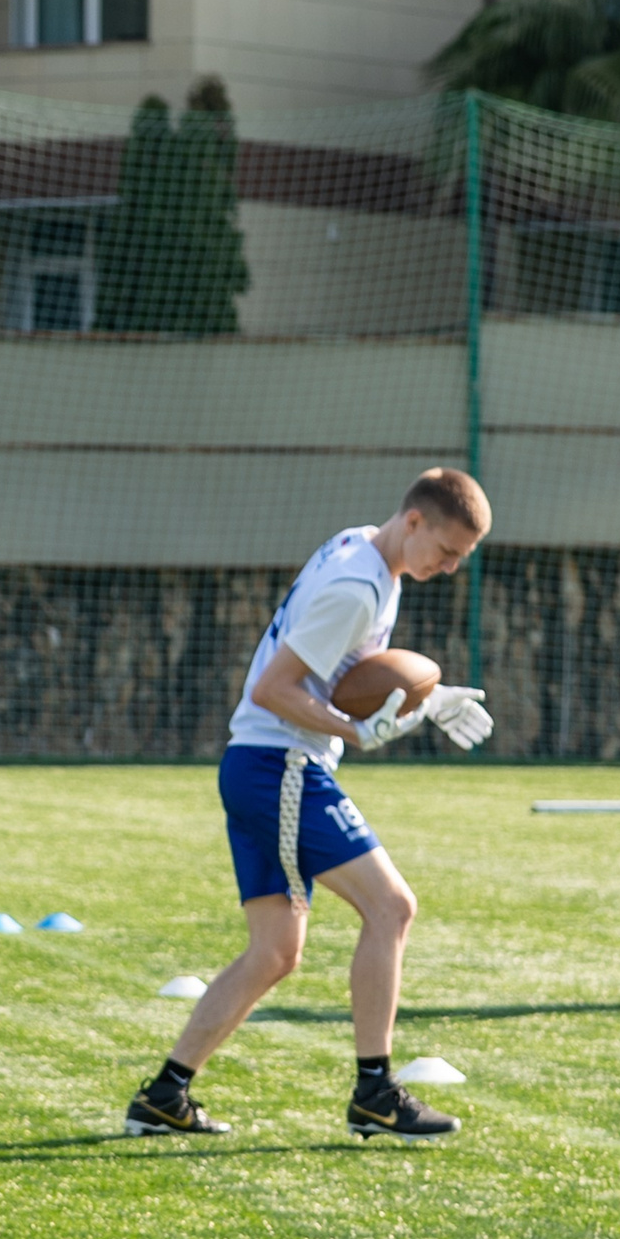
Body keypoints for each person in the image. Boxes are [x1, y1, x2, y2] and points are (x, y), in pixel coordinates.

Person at [124, 468, 496, 1142]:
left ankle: (164, 1094)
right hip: (280, 765)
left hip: (255, 765)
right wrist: (357, 731)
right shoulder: (359, 585)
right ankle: (375, 1092)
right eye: (445, 553)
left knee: (274, 951)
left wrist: (425, 697)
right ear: (414, 522)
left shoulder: (360, 547)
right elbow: (274, 688)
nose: (446, 570)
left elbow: (347, 671)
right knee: (392, 906)